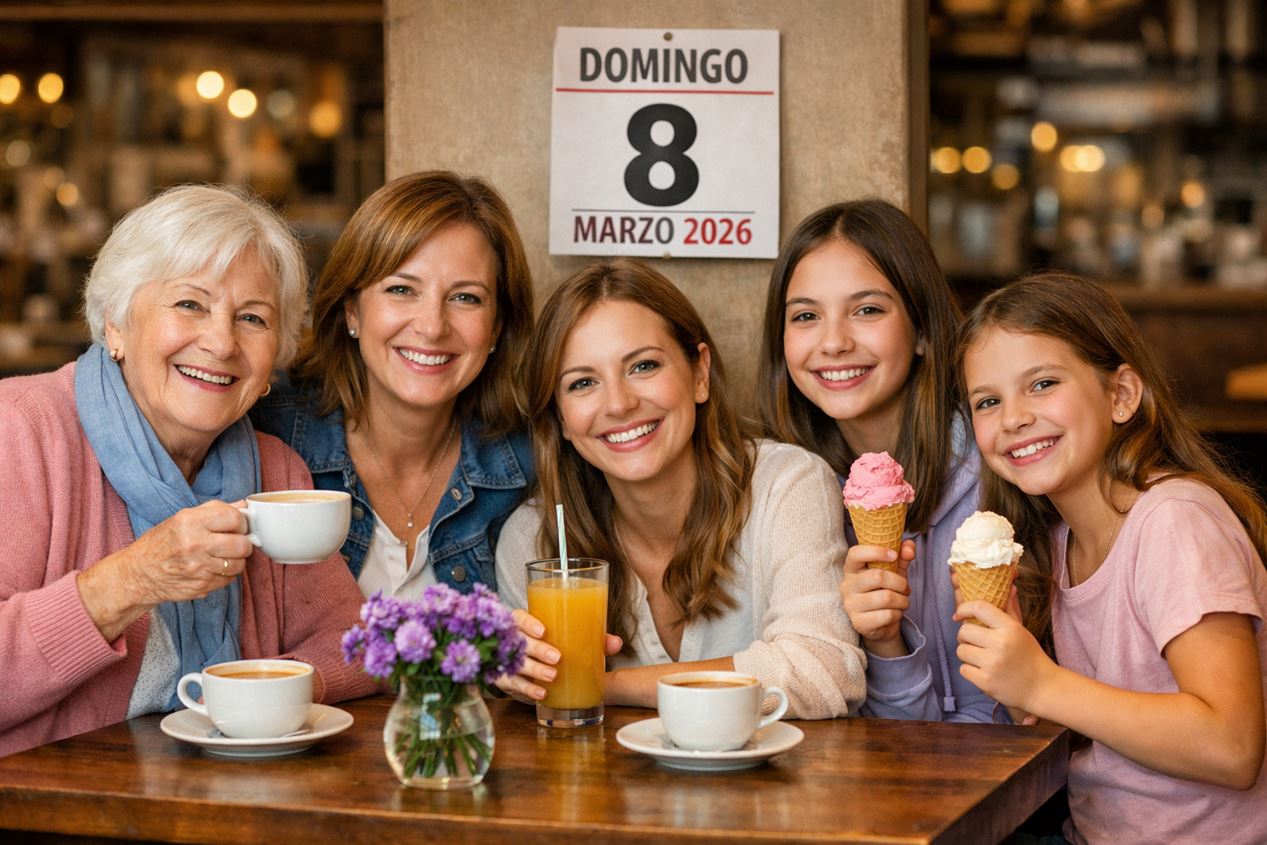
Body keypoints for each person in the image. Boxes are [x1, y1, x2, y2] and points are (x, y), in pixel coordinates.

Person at [0, 185, 375, 757]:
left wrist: (264, 699)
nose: (222, 342)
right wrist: (133, 579)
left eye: (252, 318)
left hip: (223, 800)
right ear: (116, 325)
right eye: (189, 305)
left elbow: (355, 643)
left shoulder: (276, 470)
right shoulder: (20, 431)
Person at [956, 273, 1267, 843]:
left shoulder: (1174, 521)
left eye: (1043, 383)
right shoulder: (1057, 542)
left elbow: (1234, 746)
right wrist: (1020, 686)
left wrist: (1043, 685)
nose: (1013, 417)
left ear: (1121, 395)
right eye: (988, 401)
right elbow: (1107, 732)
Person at [494, 259, 865, 717]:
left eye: (643, 366)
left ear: (700, 374)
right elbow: (533, 698)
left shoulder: (786, 484)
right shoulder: (533, 539)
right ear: (561, 420)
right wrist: (516, 672)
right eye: (583, 383)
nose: (619, 404)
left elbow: (826, 672)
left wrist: (604, 684)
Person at [757, 199, 998, 721]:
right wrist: (886, 645)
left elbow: (1003, 716)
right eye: (805, 316)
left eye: (867, 310)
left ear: (925, 331)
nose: (835, 342)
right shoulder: (789, 493)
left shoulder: (996, 469)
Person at [251, 171, 535, 598]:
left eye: (465, 297)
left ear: (496, 327)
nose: (432, 326)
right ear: (351, 311)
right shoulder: (265, 433)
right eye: (402, 289)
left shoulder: (528, 459)